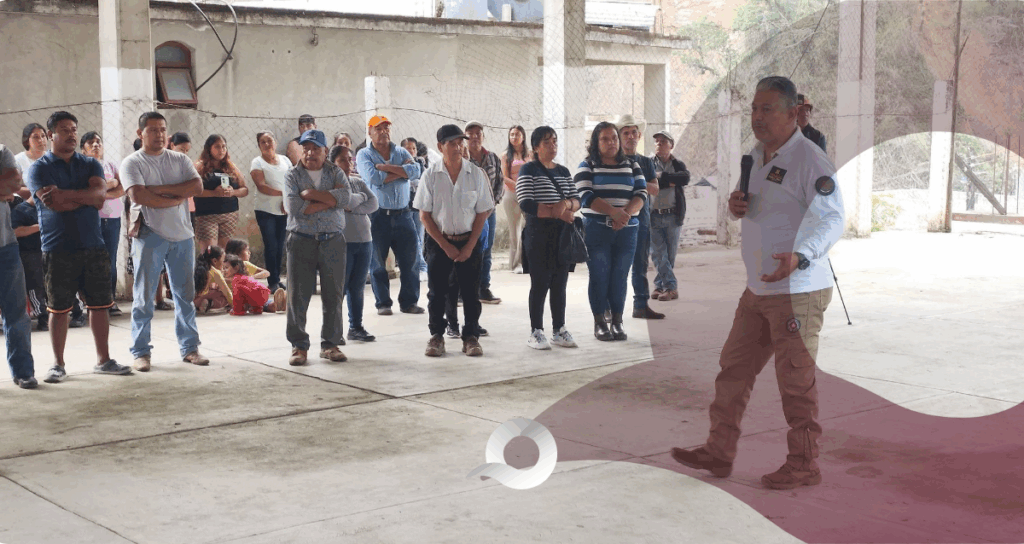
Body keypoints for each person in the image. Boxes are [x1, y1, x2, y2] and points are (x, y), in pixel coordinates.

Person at [670, 76, 845, 490]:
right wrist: (735, 205)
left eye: (767, 109)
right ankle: (718, 452)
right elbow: (753, 207)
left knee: (795, 381)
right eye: (754, 108)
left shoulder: (810, 159)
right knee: (733, 370)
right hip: (758, 290)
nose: (757, 117)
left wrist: (801, 255)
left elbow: (834, 217)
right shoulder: (755, 155)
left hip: (797, 292)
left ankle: (804, 463)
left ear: (792, 112)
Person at [24, 111, 132, 383]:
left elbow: (99, 199)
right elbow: (54, 204)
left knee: (99, 305)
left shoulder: (90, 164)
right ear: (51, 135)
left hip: (92, 244)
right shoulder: (40, 167)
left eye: (74, 129)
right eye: (64, 130)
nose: (72, 134)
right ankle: (58, 364)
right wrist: (82, 197)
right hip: (57, 246)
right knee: (59, 309)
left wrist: (66, 195)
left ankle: (103, 360)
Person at [121, 111, 210, 372]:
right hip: (150, 234)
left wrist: (157, 190)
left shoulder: (180, 159)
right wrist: (174, 196)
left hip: (182, 234)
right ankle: (141, 352)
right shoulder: (132, 163)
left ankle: (190, 348)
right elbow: (139, 195)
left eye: (162, 129)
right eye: (152, 130)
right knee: (144, 296)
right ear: (140, 134)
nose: (159, 135)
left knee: (185, 295)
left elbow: (197, 187)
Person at [415, 124, 494, 358]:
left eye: (461, 142)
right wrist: (445, 246)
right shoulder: (430, 175)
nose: (459, 147)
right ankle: (436, 336)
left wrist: (469, 246)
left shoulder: (475, 174)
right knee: (436, 292)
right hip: (440, 242)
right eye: (452, 143)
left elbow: (483, 212)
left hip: (469, 242)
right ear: (440, 147)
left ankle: (470, 337)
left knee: (471, 292)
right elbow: (424, 216)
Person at [284, 129, 361, 365]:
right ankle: (299, 346)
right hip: (301, 239)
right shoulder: (292, 175)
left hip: (333, 240)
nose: (310, 153)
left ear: (325, 151)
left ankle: (330, 344)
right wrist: (329, 200)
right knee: (298, 295)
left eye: (315, 148)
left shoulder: (336, 171)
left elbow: (346, 198)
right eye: (306, 148)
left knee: (333, 294)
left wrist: (312, 195)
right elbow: (294, 207)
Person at [574, 121, 647, 342]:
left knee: (619, 277)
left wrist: (623, 215)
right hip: (596, 230)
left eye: (614, 138)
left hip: (627, 232)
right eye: (605, 138)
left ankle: (617, 322)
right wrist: (614, 213)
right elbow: (585, 195)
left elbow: (641, 193)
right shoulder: (587, 165)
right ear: (596, 142)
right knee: (600, 275)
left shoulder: (632, 165)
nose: (611, 142)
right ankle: (599, 323)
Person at [515, 125, 580, 350]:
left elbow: (576, 199)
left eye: (554, 141)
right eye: (546, 142)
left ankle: (559, 329)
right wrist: (556, 212)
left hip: (562, 235)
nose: (552, 145)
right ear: (535, 147)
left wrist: (567, 205)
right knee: (540, 283)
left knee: (560, 283)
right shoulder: (528, 170)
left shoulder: (563, 171)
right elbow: (526, 202)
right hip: (538, 233)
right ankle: (536, 331)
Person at [356, 116, 424, 316]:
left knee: (410, 261)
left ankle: (409, 302)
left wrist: (386, 169)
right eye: (378, 128)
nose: (384, 131)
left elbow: (416, 171)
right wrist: (402, 172)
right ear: (370, 132)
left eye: (386, 128)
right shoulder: (364, 155)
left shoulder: (401, 151)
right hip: (377, 216)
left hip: (404, 214)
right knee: (377, 262)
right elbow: (373, 179)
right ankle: (383, 303)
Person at [330, 144, 379, 343]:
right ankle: (334, 330)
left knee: (357, 287)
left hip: (364, 241)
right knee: (339, 288)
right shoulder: (329, 185)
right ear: (332, 163)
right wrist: (357, 201)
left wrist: (353, 206)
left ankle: (356, 326)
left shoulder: (357, 182)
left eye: (349, 160)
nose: (348, 164)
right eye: (342, 160)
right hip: (343, 242)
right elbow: (346, 203)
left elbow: (374, 203)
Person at [618, 115, 665, 321]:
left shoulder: (645, 162)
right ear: (620, 137)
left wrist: (635, 182)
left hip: (641, 221)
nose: (630, 136)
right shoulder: (613, 161)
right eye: (626, 133)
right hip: (617, 220)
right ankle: (612, 308)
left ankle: (641, 305)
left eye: (633, 132)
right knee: (616, 266)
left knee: (640, 264)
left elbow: (655, 188)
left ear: (639, 135)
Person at [0, 141, 38, 389]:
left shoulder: (1, 150)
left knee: (17, 313)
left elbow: (14, 182)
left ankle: (23, 371)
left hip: (6, 246)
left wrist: (7, 189)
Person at [80, 131, 127, 316]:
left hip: (113, 218)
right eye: (90, 143)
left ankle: (110, 300)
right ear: (83, 149)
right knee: (92, 260)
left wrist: (101, 192)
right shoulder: (83, 167)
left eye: (98, 141)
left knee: (111, 260)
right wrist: (110, 184)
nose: (95, 145)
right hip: (92, 218)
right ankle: (92, 300)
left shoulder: (110, 165)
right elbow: (86, 190)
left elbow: (122, 187)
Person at [649, 130, 690, 302]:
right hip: (654, 216)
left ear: (671, 145)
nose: (659, 144)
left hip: (673, 215)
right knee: (658, 254)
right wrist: (668, 181)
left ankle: (660, 285)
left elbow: (685, 178)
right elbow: (649, 181)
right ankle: (671, 288)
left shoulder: (678, 164)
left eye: (663, 141)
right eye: (657, 141)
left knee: (670, 254)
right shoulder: (648, 163)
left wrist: (662, 178)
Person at [464, 121, 502, 304]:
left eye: (478, 133)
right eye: (470, 133)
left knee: (486, 250)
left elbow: (499, 184)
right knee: (467, 250)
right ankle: (463, 290)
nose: (474, 136)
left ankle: (483, 289)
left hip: (489, 213)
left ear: (483, 136)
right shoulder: (461, 159)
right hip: (467, 214)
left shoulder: (493, 158)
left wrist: (490, 206)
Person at [194, 134, 248, 253]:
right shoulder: (199, 167)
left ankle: (222, 273)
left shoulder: (231, 166)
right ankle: (208, 272)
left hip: (229, 216)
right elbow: (193, 191)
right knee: (210, 254)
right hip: (207, 217)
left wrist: (232, 192)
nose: (222, 150)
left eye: (224, 147)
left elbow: (244, 189)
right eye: (217, 147)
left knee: (223, 255)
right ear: (209, 149)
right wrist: (214, 193)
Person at [250, 131, 290, 292]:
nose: (267, 144)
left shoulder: (285, 160)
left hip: (284, 210)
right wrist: (283, 194)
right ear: (259, 146)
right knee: (271, 244)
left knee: (280, 245)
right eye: (263, 142)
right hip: (265, 210)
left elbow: (292, 181)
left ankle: (277, 279)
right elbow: (262, 186)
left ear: (275, 141)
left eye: (269, 140)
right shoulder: (257, 162)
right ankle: (272, 281)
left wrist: (287, 201)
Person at [11, 192, 49, 331]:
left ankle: (75, 313)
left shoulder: (50, 207)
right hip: (30, 253)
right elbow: (16, 231)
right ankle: (42, 317)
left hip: (51, 250)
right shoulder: (20, 210)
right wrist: (41, 225)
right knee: (35, 285)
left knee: (57, 283)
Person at [501, 126, 531, 273]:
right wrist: (519, 186)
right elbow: (504, 177)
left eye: (517, 134)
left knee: (531, 227)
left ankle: (530, 261)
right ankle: (515, 264)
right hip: (511, 195)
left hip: (529, 195)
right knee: (515, 232)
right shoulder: (506, 156)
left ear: (523, 137)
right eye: (511, 135)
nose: (514, 137)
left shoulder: (530, 155)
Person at [400, 137, 429, 282]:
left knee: (418, 238)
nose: (411, 151)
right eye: (408, 148)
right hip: (404, 208)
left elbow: (423, 181)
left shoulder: (420, 163)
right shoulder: (398, 163)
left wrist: (409, 179)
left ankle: (422, 268)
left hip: (418, 207)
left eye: (413, 148)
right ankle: (417, 267)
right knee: (411, 240)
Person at [193, 246, 231, 313]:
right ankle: (210, 303)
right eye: (223, 261)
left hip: (187, 301)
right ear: (215, 261)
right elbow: (228, 295)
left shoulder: (194, 266)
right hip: (199, 300)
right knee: (221, 295)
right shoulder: (214, 272)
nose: (223, 263)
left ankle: (199, 306)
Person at [14, 123, 48, 199]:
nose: (41, 140)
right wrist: (38, 192)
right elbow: (12, 187)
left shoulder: (53, 158)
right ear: (26, 140)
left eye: (43, 136)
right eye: (36, 137)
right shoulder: (17, 160)